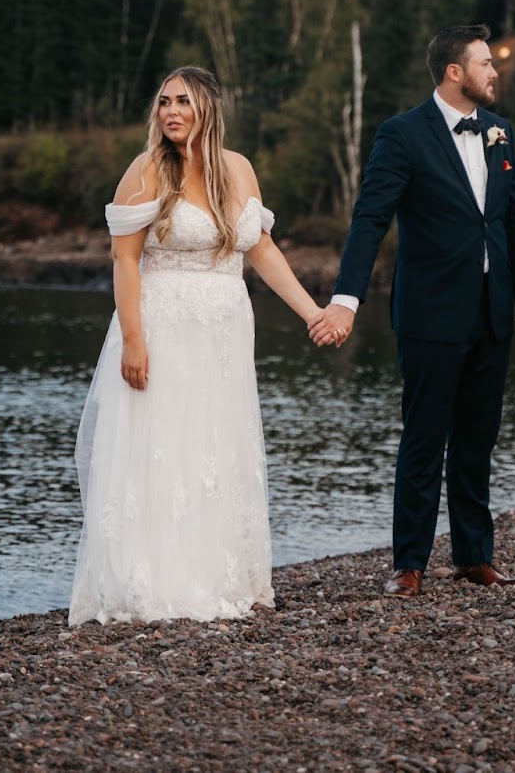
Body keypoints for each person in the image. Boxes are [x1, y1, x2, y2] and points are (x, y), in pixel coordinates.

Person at [69, 65, 327, 626]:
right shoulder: (145, 171)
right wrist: (133, 340)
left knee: (216, 447)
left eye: (183, 101)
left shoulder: (237, 170)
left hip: (225, 330)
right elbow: (125, 259)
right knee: (162, 446)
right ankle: (156, 582)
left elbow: (260, 251)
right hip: (161, 327)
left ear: (208, 108)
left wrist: (313, 312)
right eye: (163, 102)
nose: (171, 112)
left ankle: (221, 575)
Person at [311, 24, 515, 598]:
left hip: (493, 312)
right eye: (485, 64)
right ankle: (409, 563)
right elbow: (370, 219)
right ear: (454, 72)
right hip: (430, 315)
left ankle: (474, 556)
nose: (494, 72)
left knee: (477, 439)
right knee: (423, 439)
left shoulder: (499, 132)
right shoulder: (402, 135)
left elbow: (514, 219)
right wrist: (346, 299)